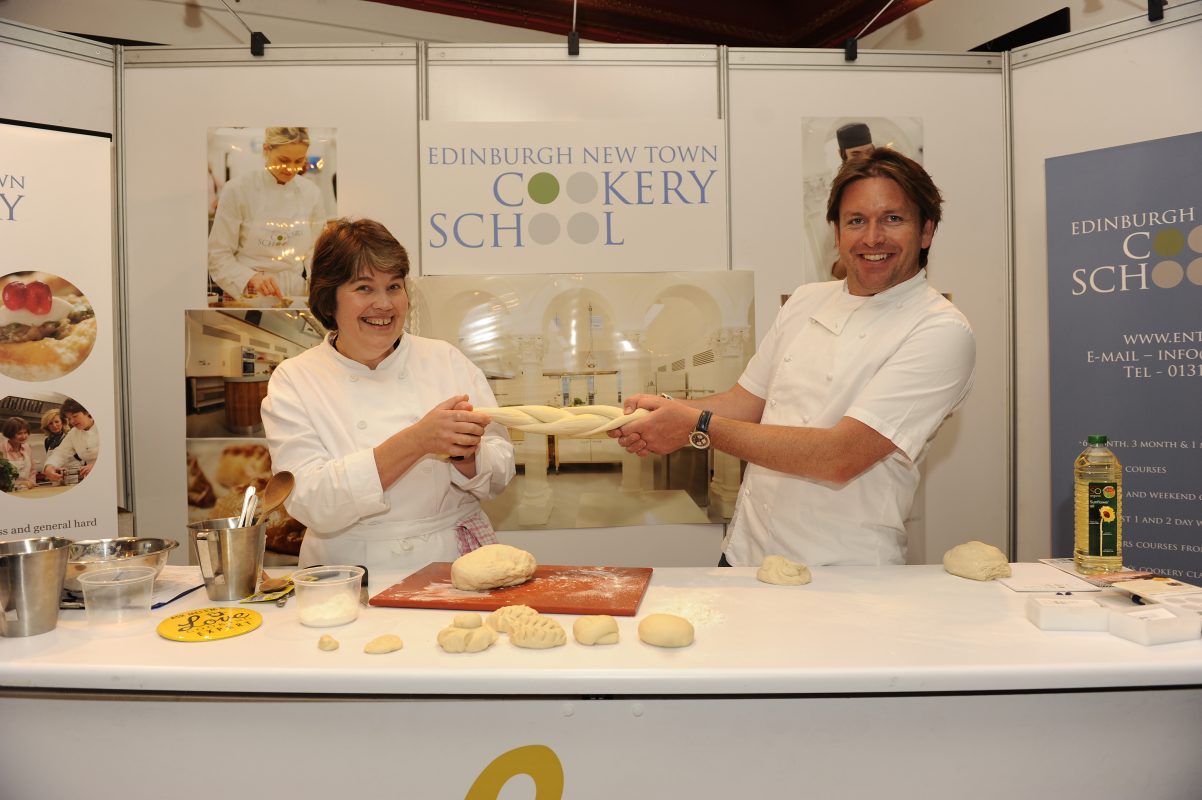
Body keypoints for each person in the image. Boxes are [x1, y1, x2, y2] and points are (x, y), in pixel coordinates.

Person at [613, 148, 976, 567]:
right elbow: (747, 402)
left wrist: (696, 425)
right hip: (747, 553)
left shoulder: (940, 331)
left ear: (926, 231)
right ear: (837, 234)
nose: (872, 237)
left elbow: (841, 456)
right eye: (856, 221)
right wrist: (666, 410)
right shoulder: (806, 301)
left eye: (893, 219)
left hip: (843, 571)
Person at [261, 218, 515, 571]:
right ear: (329, 300)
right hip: (350, 572)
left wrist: (467, 455)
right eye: (364, 288)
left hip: (451, 561)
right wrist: (418, 441)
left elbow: (502, 469)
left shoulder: (445, 359)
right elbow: (310, 500)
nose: (384, 304)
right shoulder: (296, 379)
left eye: (394, 286)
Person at [207, 126, 327, 302]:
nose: (291, 168)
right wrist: (249, 278)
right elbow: (218, 254)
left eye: (299, 161)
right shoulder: (238, 190)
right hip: (249, 293)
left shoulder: (311, 193)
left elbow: (317, 251)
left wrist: (318, 284)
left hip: (297, 294)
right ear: (266, 150)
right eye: (283, 160)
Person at [831, 123, 875, 279]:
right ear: (842, 155)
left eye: (869, 152)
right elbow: (835, 272)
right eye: (856, 154)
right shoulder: (836, 196)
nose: (865, 159)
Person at [42, 399, 99, 483]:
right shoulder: (73, 433)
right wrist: (49, 467)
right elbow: (60, 453)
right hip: (90, 479)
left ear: (87, 412)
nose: (72, 421)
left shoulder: (104, 426)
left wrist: (95, 466)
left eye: (75, 416)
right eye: (69, 418)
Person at [2, 417, 36, 490]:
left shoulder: (27, 448)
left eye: (25, 432)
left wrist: (31, 483)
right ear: (10, 433)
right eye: (19, 433)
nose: (23, 436)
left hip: (26, 489)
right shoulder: (1, 449)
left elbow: (32, 470)